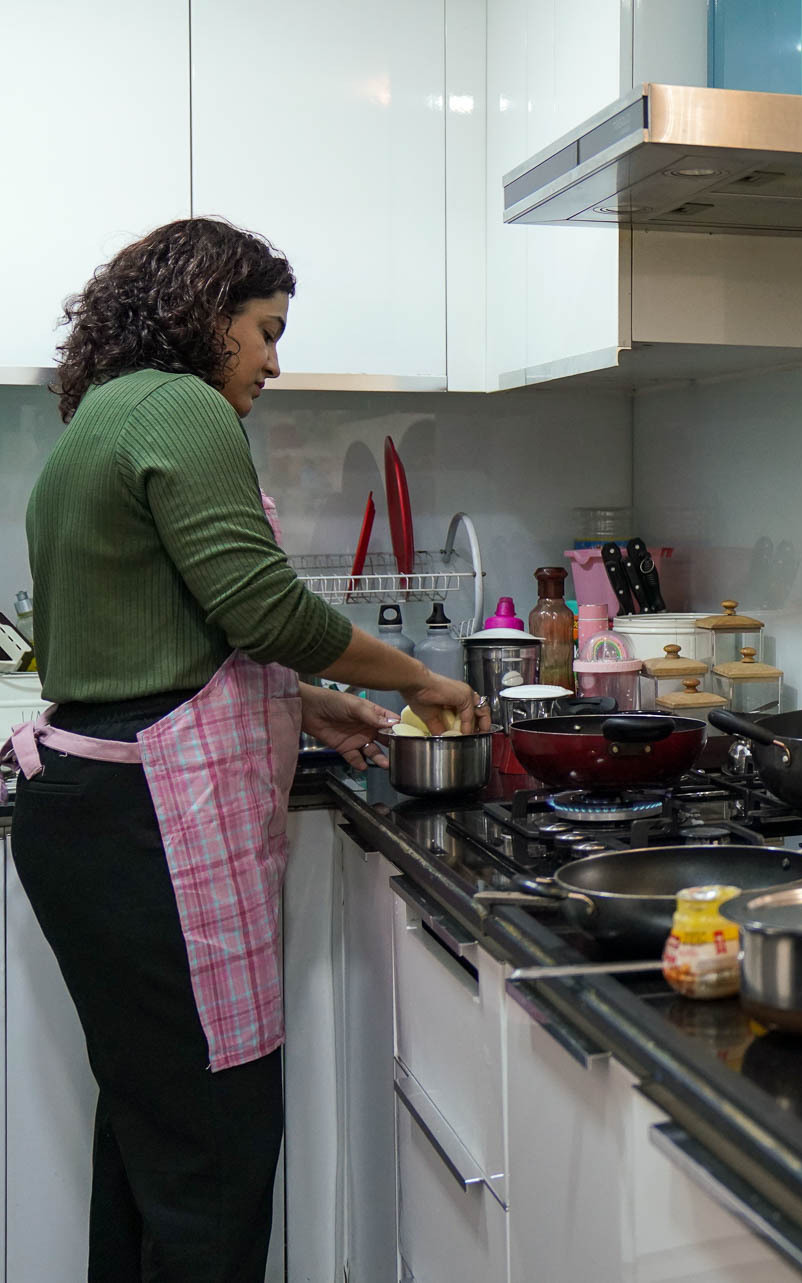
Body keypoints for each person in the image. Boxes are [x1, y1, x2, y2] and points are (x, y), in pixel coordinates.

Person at [1, 217, 490, 1281]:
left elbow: (163, 635)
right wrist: (412, 676)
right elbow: (259, 606)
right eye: (264, 330)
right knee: (215, 1149)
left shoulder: (104, 413)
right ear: (204, 312)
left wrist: (309, 705)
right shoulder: (180, 405)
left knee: (156, 1144)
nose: (273, 360)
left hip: (97, 809)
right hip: (145, 822)